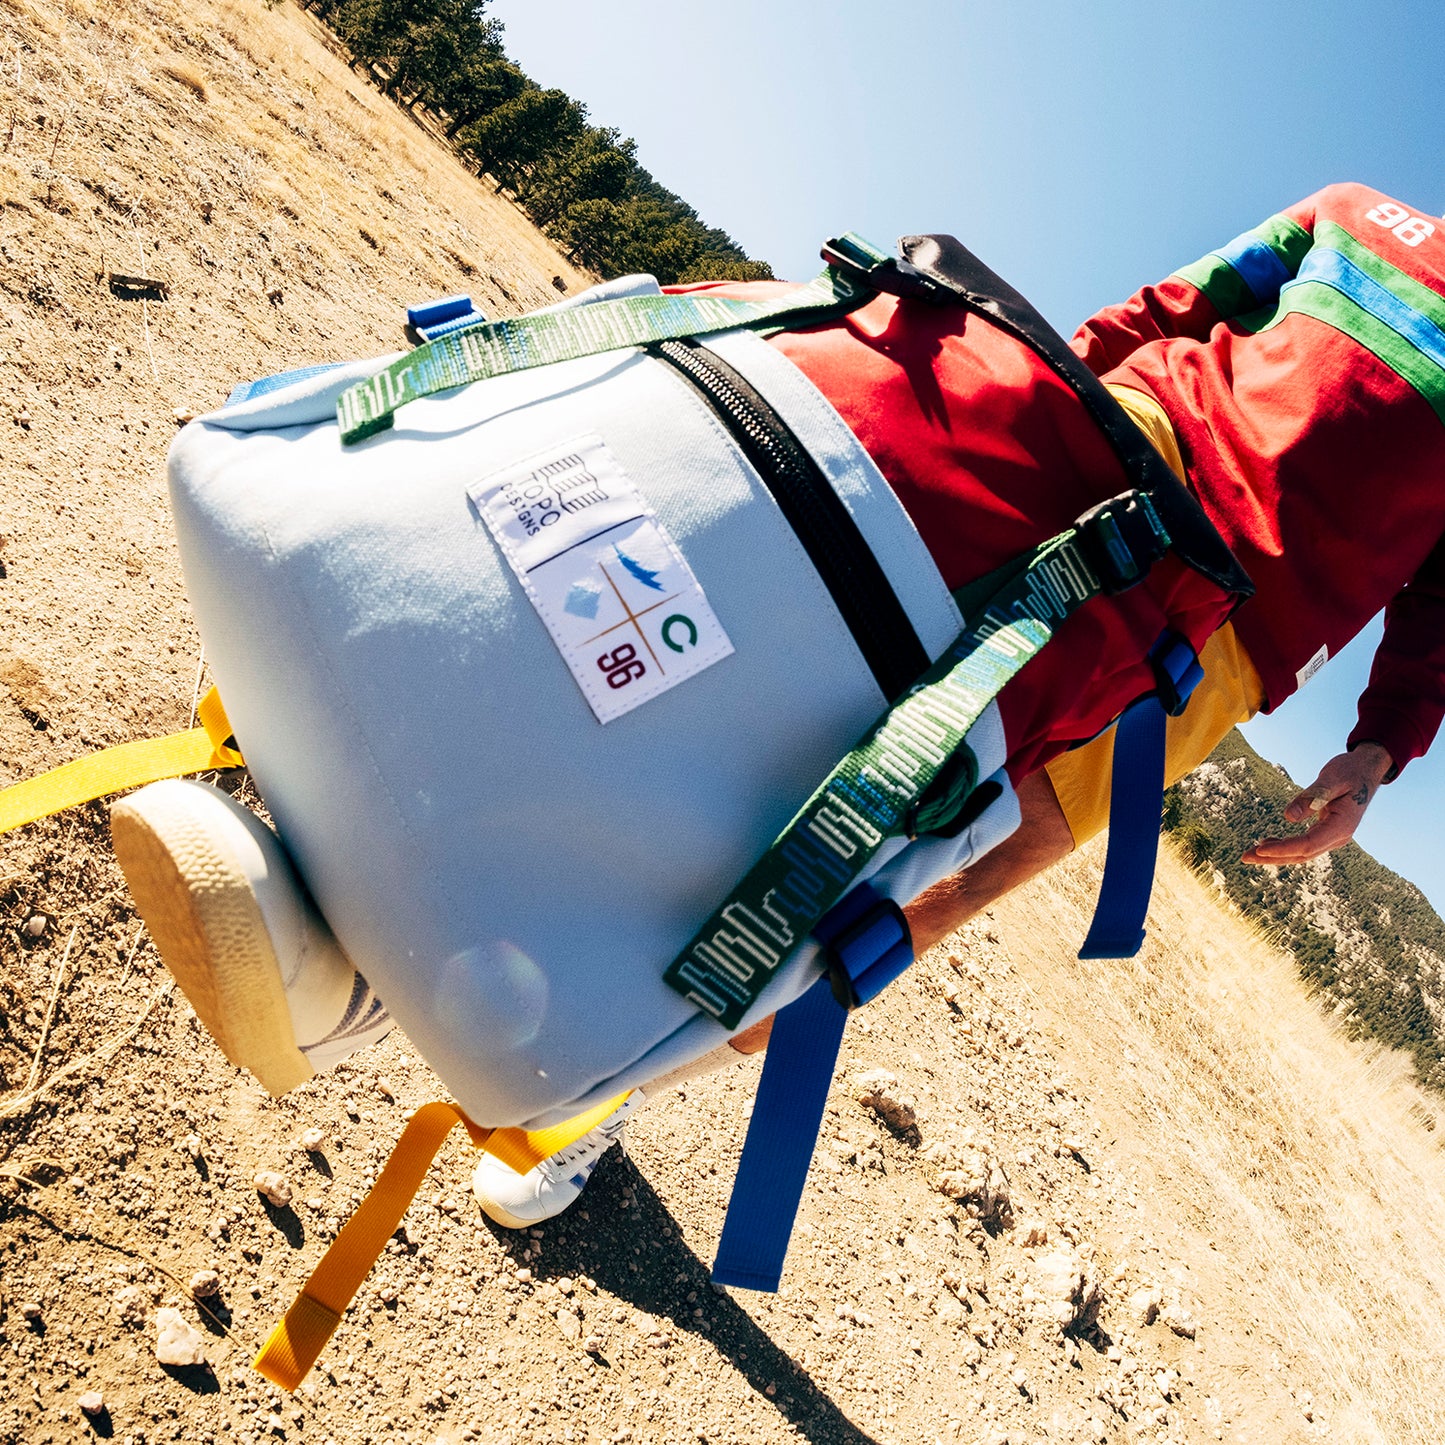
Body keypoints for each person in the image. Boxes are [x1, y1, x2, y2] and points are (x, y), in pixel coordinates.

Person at [111, 182, 1444, 1229]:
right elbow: (1156, 319)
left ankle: (510, 1011)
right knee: (901, 856)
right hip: (1140, 565)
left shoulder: (1350, 214)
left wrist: (1379, 744)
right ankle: (530, 1049)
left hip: (1163, 576)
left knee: (837, 759)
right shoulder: (1351, 212)